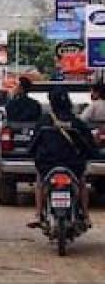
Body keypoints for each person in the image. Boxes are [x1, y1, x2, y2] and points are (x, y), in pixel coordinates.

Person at [28, 87, 95, 229]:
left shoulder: (44, 122)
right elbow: (89, 145)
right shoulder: (77, 122)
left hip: (48, 165)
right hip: (73, 165)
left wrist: (31, 153)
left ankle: (38, 214)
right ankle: (86, 215)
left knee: (40, 182)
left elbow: (33, 145)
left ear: (52, 103)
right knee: (82, 183)